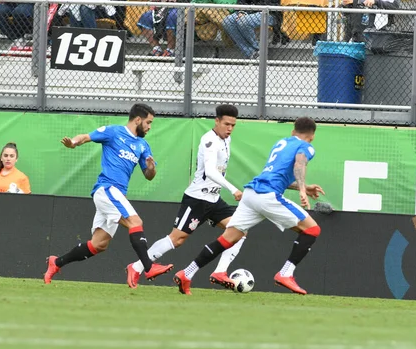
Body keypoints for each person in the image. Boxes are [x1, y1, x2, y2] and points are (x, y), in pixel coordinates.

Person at [173, 117, 325, 296]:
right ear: (312, 136)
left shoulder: (282, 142)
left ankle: (187, 273)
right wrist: (301, 188)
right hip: (268, 197)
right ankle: (286, 273)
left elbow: (276, 175)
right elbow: (300, 163)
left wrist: (304, 188)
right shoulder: (307, 147)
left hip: (251, 194)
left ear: (293, 132)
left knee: (228, 239)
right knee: (312, 230)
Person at [44, 103, 173, 284]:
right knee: (136, 222)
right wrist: (73, 142)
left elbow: (149, 176)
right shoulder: (113, 132)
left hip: (116, 194)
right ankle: (148, 268)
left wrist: (151, 168)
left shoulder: (143, 145)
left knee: (98, 244)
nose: (150, 127)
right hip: (106, 189)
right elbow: (86, 137)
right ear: (138, 119)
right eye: (148, 122)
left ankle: (56, 263)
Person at [125, 104, 246, 289]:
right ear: (217, 121)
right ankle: (136, 266)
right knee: (177, 239)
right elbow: (211, 171)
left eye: (233, 125)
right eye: (226, 124)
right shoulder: (209, 141)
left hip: (214, 200)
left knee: (239, 231)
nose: (229, 129)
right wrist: (233, 189)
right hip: (197, 199)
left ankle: (220, 271)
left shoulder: (226, 140)